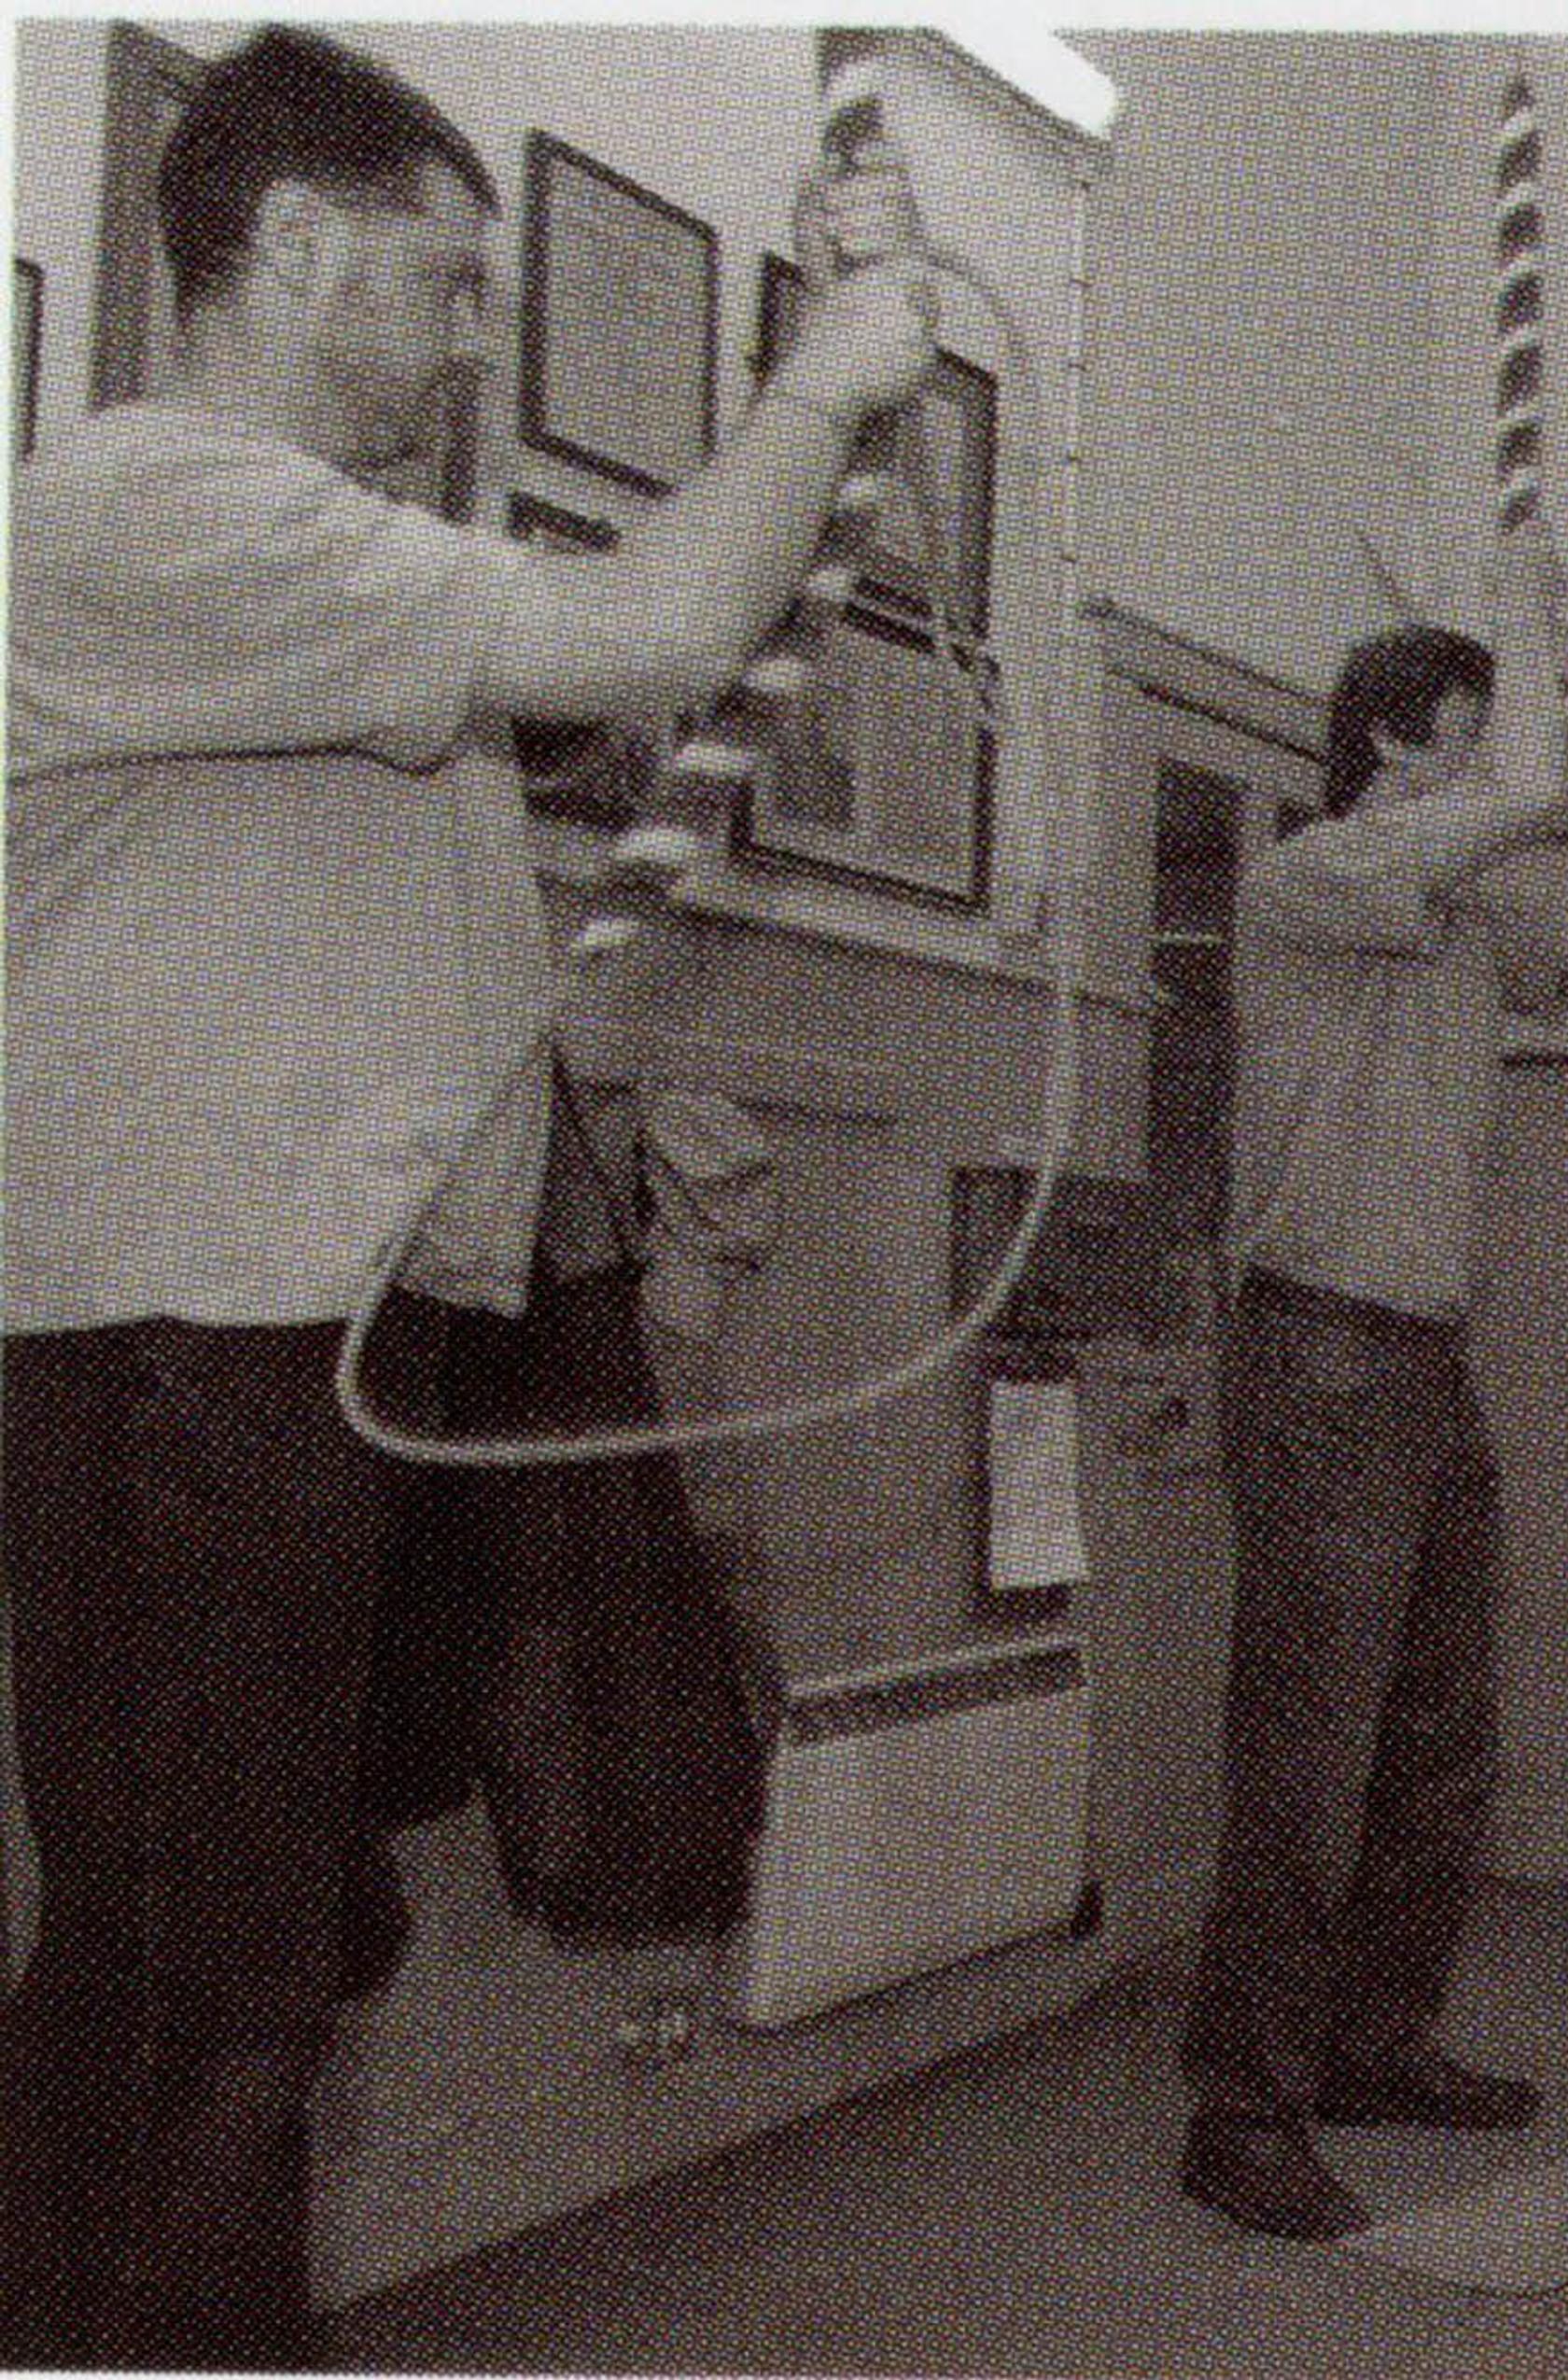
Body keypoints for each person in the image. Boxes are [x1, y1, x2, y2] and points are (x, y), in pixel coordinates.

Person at [2, 26, 940, 2365]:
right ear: (291, 246)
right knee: (196, 1993)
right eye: (433, 287)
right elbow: (636, 630)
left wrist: (818, 514)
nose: (456, 354)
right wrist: (824, 396)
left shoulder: (332, 594)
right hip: (187, 1347)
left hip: (323, 1336)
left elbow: (654, 669)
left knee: (271, 1953)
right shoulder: (153, 504)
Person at [1181, 519, 1568, 2242]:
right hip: (1318, 1342)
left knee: (1444, 1741)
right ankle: (1239, 2113)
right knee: (1307, 1753)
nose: (1486, 761)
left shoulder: (1470, 922)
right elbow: (1505, 816)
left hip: (1422, 1362)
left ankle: (1373, 2043)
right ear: (1395, 741)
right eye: (1464, 728)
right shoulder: (1314, 874)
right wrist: (1528, 624)